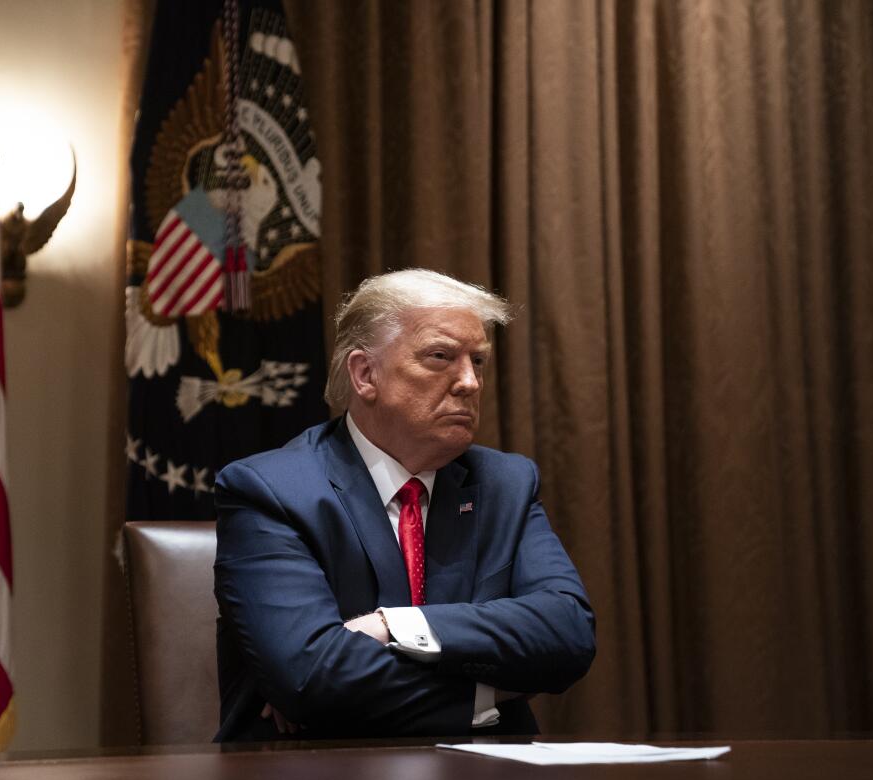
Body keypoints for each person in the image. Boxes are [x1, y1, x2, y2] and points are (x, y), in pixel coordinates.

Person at [213, 269, 595, 741]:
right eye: (440, 357)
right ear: (365, 373)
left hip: (488, 778)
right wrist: (497, 690)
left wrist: (391, 625)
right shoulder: (271, 490)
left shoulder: (505, 483)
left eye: (478, 361)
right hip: (316, 776)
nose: (470, 382)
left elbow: (568, 633)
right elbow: (310, 680)